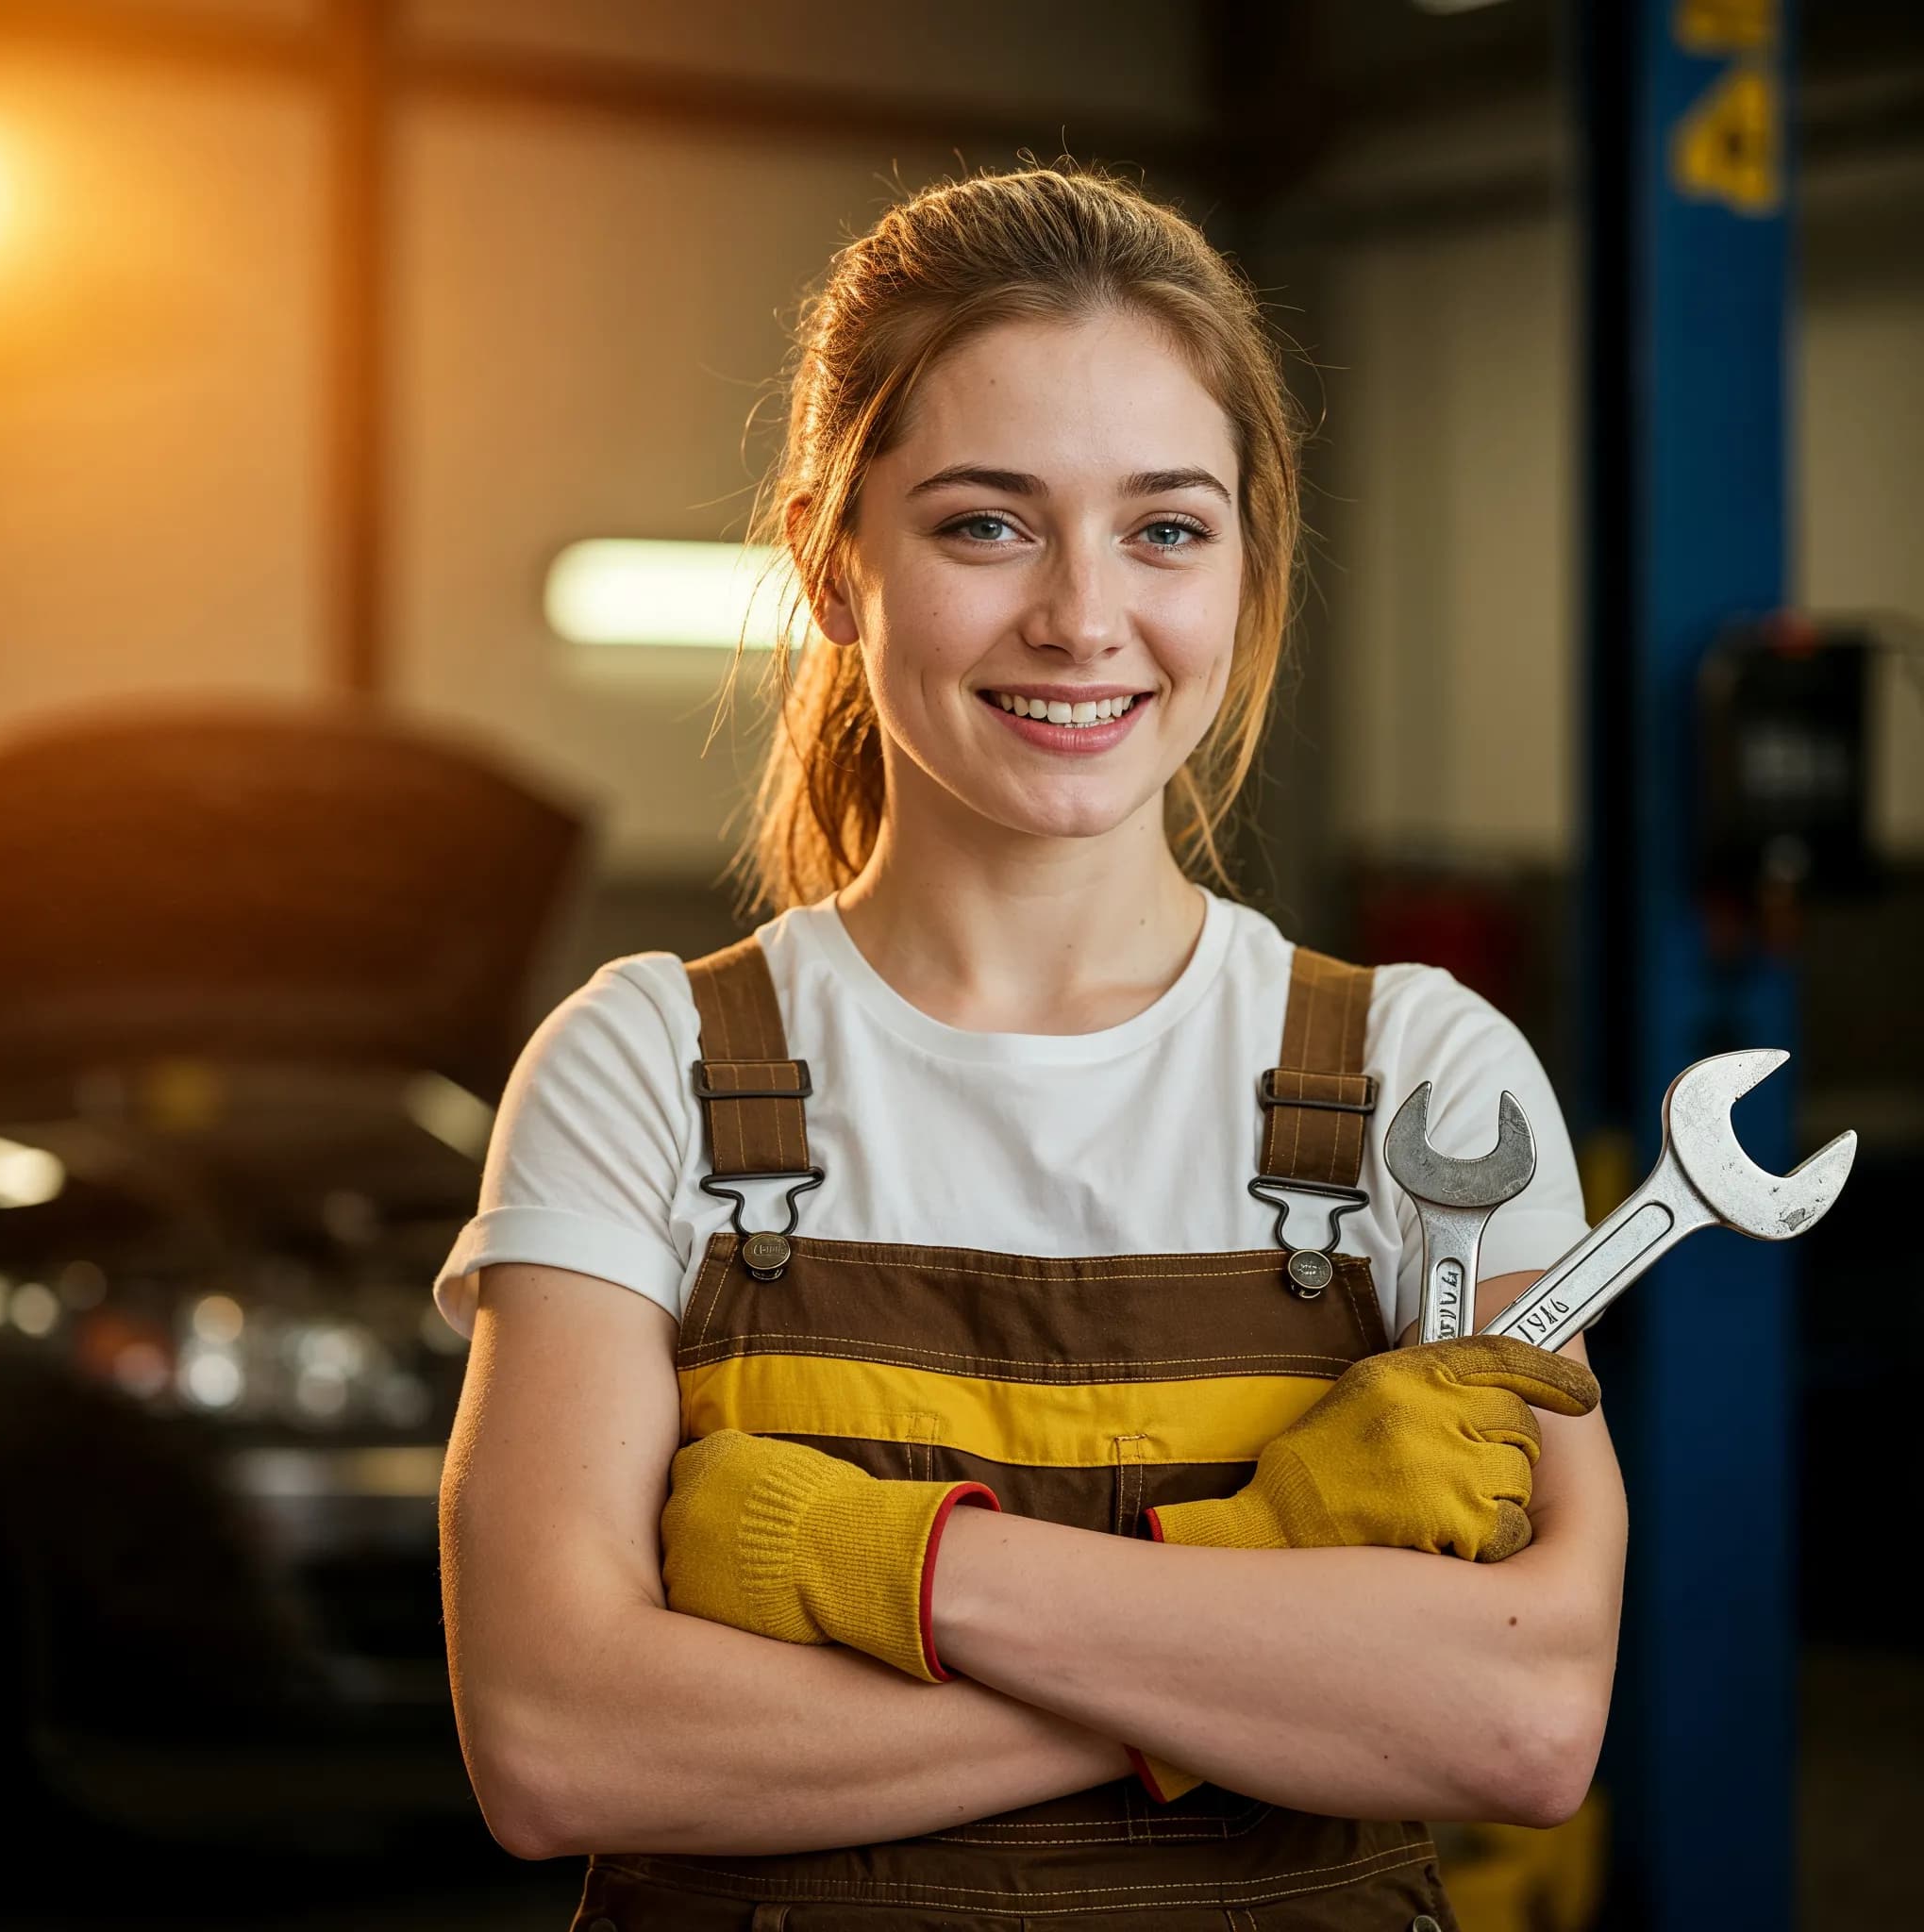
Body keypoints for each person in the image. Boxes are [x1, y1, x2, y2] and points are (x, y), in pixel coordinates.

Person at [434, 161, 1627, 1931]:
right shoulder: (644, 1069)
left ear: (1245, 566)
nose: (1084, 617)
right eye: (986, 523)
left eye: (1166, 528)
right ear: (838, 570)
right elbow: (558, 1742)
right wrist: (1269, 1622)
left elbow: (1520, 1720)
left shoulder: (1422, 1076)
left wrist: (861, 1566)